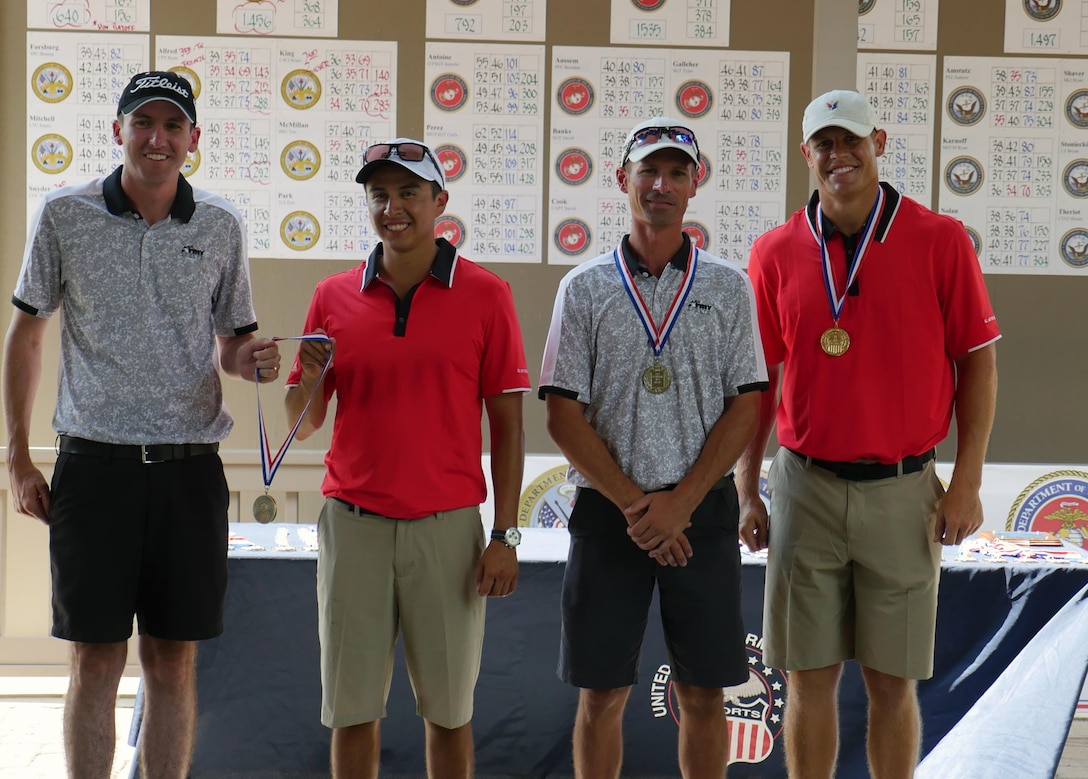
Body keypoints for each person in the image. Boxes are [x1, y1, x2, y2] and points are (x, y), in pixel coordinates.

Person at [3, 70, 281, 777]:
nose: (157, 138)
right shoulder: (65, 215)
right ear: (117, 130)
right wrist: (18, 456)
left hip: (189, 472)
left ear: (194, 139)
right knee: (94, 659)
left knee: (172, 659)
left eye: (172, 125)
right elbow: (26, 335)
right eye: (142, 122)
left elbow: (231, 345)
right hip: (94, 470)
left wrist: (258, 361)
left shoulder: (219, 224)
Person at [737, 89, 1000, 778]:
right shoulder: (773, 251)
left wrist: (966, 482)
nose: (838, 154)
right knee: (808, 678)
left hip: (903, 486)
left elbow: (978, 363)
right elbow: (757, 383)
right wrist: (747, 489)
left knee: (892, 682)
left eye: (850, 139)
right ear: (806, 155)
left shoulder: (939, 240)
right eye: (823, 143)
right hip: (804, 487)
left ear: (877, 140)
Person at [284, 137, 530, 779]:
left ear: (440, 202)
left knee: (449, 714)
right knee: (352, 712)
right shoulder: (331, 296)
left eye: (409, 193)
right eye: (380, 195)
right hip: (353, 526)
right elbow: (304, 424)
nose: (393, 208)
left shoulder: (487, 294)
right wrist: (306, 378)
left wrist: (505, 534)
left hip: (447, 531)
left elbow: (507, 427)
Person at [539, 117, 768, 778]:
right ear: (623, 180)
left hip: (704, 513)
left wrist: (682, 504)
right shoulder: (582, 288)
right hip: (612, 515)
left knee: (703, 692)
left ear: (697, 185)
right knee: (602, 693)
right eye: (649, 171)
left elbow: (745, 405)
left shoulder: (728, 287)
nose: (661, 184)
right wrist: (644, 509)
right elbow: (561, 414)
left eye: (676, 172)